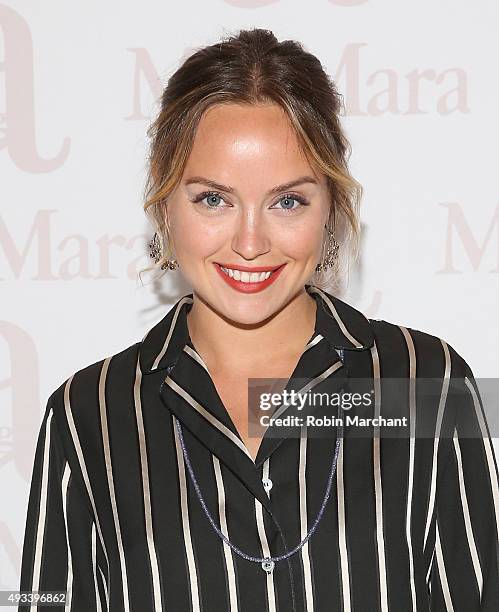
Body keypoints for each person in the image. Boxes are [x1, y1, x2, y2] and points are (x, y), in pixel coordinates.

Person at [18, 28, 499, 612]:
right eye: (213, 199)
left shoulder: (426, 386)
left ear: (331, 208)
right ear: (165, 204)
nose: (249, 242)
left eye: (287, 201)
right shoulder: (84, 415)